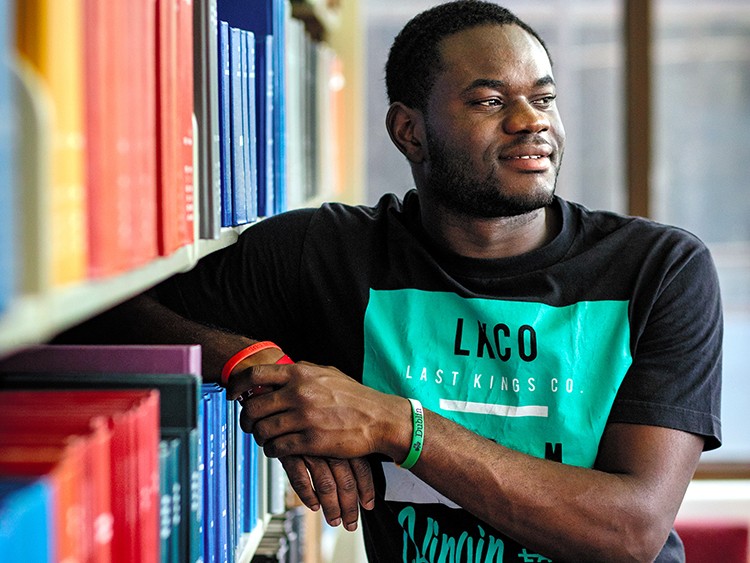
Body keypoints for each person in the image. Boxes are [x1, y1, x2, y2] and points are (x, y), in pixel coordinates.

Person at [81, 1, 722, 561]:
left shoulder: (659, 270)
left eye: (545, 97)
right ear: (409, 131)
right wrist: (253, 370)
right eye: (490, 100)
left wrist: (394, 425)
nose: (533, 122)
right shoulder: (325, 255)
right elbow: (102, 314)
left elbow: (631, 532)